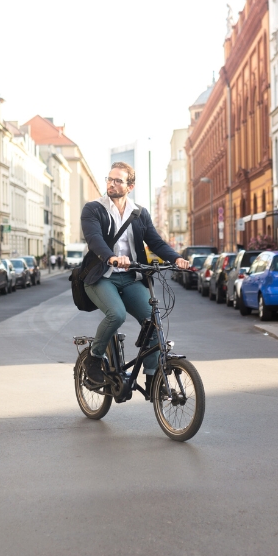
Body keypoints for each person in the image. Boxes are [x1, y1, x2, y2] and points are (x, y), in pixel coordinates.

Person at [80, 163, 189, 395]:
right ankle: (94, 357)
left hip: (130, 277)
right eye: (109, 179)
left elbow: (156, 242)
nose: (111, 183)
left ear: (130, 186)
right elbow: (94, 239)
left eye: (118, 180)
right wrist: (111, 258)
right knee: (116, 314)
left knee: (153, 323)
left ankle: (153, 380)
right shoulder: (93, 209)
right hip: (102, 276)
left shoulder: (139, 213)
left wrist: (177, 258)